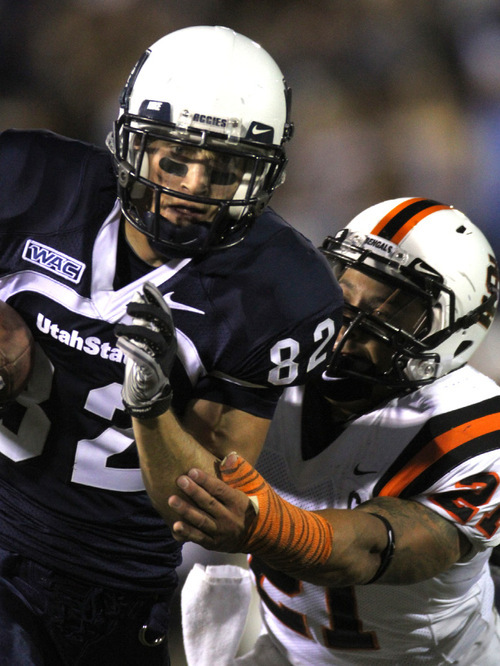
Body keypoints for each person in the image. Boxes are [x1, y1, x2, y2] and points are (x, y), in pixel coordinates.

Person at [0, 25, 343, 666]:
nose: (191, 186)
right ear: (133, 140)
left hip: (113, 583)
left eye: (226, 169)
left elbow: (211, 504)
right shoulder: (29, 176)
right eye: (175, 157)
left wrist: (152, 407)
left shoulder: (283, 291)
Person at [166, 197, 500, 665]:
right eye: (344, 291)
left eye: (390, 312)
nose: (346, 327)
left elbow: (363, 551)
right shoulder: (275, 357)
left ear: (455, 330)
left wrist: (261, 526)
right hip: (284, 652)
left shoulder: (471, 427)